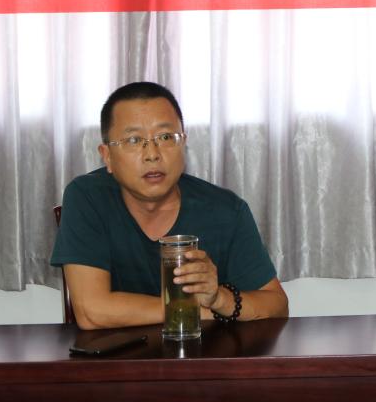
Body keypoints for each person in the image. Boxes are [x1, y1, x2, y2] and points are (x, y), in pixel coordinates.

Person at [51, 81, 288, 329]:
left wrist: (219, 299)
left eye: (165, 137)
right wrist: (193, 310)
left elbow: (277, 306)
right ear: (107, 156)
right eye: (134, 140)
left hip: (205, 352)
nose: (152, 154)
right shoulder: (87, 197)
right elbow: (92, 311)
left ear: (183, 144)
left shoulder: (226, 210)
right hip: (116, 353)